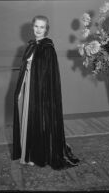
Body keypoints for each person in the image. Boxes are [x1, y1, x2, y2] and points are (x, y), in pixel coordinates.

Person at [13, 15, 80, 170]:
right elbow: (26, 68)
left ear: (46, 29)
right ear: (32, 27)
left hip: (41, 92)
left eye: (42, 27)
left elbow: (48, 74)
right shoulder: (31, 45)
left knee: (37, 120)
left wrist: (40, 91)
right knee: (27, 118)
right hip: (28, 86)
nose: (38, 29)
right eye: (36, 26)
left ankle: (37, 155)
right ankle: (27, 153)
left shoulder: (48, 48)